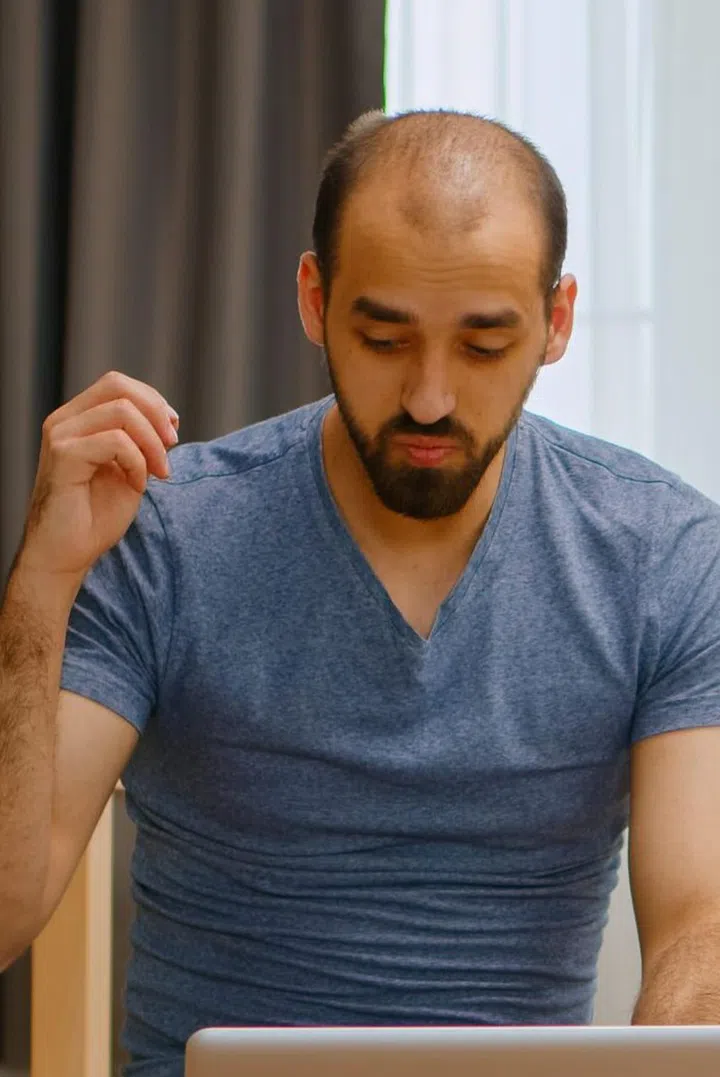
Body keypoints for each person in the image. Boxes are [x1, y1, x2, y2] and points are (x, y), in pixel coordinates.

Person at [2, 108, 720, 1077]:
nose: (429, 398)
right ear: (315, 300)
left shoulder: (664, 555)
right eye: (384, 339)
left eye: (483, 346)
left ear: (557, 322)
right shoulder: (167, 535)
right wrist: (43, 581)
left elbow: (700, 928)